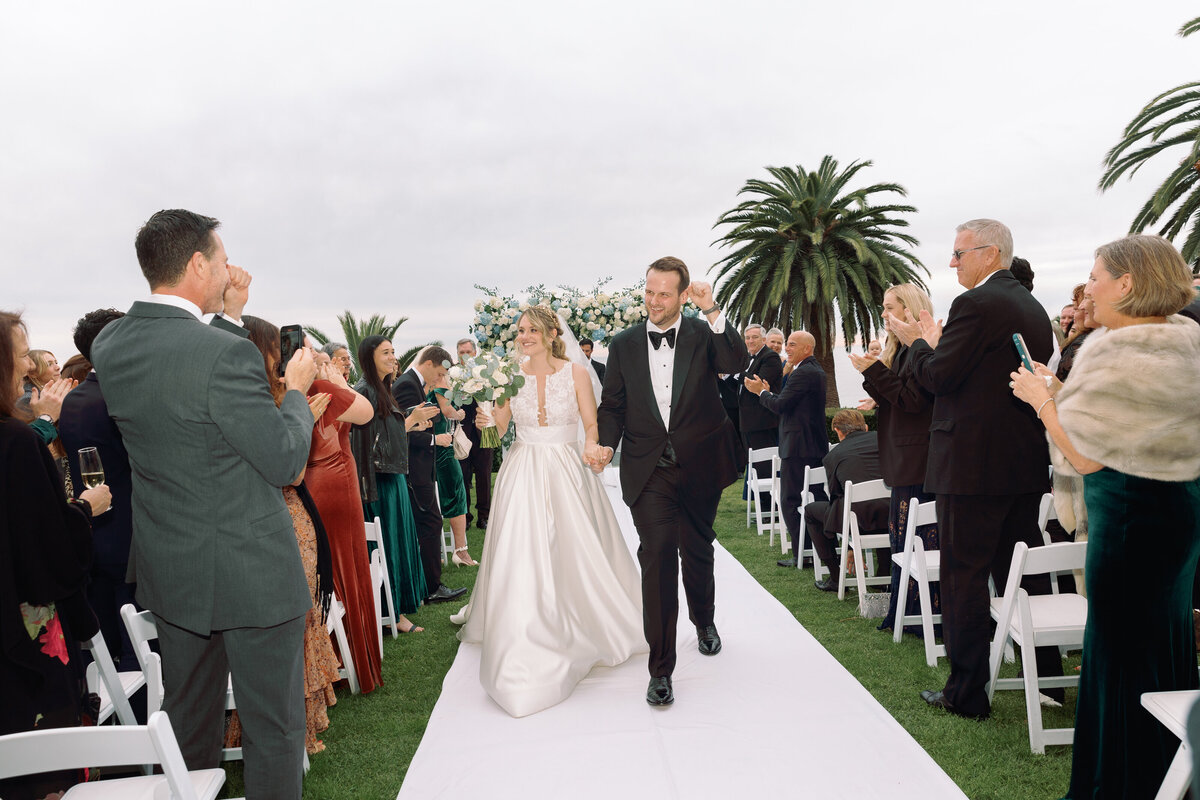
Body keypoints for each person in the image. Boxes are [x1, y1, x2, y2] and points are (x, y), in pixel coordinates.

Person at [90, 209, 317, 798]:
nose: (226, 270)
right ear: (196, 264)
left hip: (175, 572)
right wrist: (294, 393)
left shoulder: (111, 345)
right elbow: (285, 461)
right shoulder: (224, 355)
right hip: (252, 572)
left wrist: (228, 313)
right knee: (273, 730)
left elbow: (186, 374)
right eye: (219, 261)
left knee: (189, 725)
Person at [1011, 234, 1200, 799]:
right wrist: (1067, 393)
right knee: (1160, 645)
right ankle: (1164, 774)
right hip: (1176, 513)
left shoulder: (1120, 350)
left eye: (1096, 276)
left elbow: (1086, 455)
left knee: (1118, 654)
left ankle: (1117, 784)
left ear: (1128, 283)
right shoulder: (1184, 339)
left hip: (1129, 520)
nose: (1088, 287)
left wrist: (1042, 399)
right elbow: (1132, 424)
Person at [887, 218, 1060, 721]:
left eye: (959, 253)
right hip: (1022, 462)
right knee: (1021, 570)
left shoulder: (975, 303)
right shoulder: (1032, 305)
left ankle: (966, 693)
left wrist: (920, 343)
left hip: (969, 466)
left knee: (964, 576)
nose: (952, 262)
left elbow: (940, 376)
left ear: (990, 253)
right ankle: (1047, 677)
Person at [452, 305, 645, 717]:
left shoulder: (576, 373)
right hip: (523, 466)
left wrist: (593, 447)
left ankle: (584, 621)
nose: (525, 336)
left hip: (566, 466)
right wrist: (487, 417)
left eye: (532, 330)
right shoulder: (507, 375)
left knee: (574, 546)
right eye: (520, 330)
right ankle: (527, 630)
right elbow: (498, 433)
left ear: (551, 331)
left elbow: (591, 425)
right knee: (524, 549)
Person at [594, 257, 748, 707]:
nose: (655, 302)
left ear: (683, 295)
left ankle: (704, 620)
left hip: (701, 461)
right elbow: (613, 405)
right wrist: (605, 444)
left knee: (697, 547)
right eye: (649, 292)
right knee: (658, 555)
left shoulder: (703, 333)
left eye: (664, 294)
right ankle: (660, 670)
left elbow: (736, 361)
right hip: (649, 467)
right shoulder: (622, 344)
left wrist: (713, 309)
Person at [1, 311, 111, 800]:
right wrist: (85, 510)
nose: (27, 367)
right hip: (23, 638)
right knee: (42, 772)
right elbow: (49, 556)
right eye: (20, 354)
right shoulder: (16, 444)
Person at [241, 315, 342, 755]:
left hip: (290, 516)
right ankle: (289, 731)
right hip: (281, 518)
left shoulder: (269, 395)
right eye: (273, 347)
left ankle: (300, 723)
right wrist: (298, 412)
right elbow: (293, 469)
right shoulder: (269, 400)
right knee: (291, 623)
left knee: (301, 621)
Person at [850, 284, 939, 632]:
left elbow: (913, 401)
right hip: (902, 456)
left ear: (909, 309)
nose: (884, 315)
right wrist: (871, 377)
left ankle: (919, 612)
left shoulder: (923, 349)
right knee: (899, 537)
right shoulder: (901, 350)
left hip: (916, 458)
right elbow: (896, 398)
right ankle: (904, 609)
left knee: (916, 537)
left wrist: (873, 371)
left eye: (889, 308)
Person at [57, 308, 138, 672]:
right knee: (137, 642)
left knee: (105, 642)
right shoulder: (120, 398)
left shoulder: (74, 399)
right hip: (131, 536)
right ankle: (143, 721)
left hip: (95, 535)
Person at [305, 344, 383, 693]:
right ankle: (347, 653)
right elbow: (366, 413)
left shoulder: (291, 393)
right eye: (320, 361)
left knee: (329, 568)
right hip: (335, 483)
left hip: (315, 482)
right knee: (344, 567)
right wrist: (341, 384)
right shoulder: (324, 389)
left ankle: (335, 656)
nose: (327, 367)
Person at [350, 336, 440, 632]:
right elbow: (373, 443)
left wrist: (413, 421)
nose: (392, 357)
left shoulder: (383, 389)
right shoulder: (365, 392)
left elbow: (388, 434)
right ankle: (393, 614)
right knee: (388, 543)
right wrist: (412, 418)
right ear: (369, 357)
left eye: (392, 351)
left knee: (400, 540)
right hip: (381, 481)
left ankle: (399, 608)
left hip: (393, 476)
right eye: (385, 353)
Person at [743, 331, 829, 570]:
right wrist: (769, 392)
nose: (787, 349)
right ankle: (818, 549)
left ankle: (803, 552)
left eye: (792, 345)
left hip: (798, 448)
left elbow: (781, 406)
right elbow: (790, 403)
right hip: (811, 446)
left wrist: (760, 392)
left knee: (789, 500)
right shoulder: (811, 370)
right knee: (816, 497)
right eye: (787, 344)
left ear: (807, 349)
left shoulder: (804, 372)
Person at [392, 346, 469, 605]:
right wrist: (435, 438)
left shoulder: (416, 383)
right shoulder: (406, 385)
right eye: (439, 373)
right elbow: (404, 429)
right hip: (415, 468)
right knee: (431, 523)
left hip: (422, 466)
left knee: (428, 522)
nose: (440, 379)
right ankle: (431, 587)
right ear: (427, 363)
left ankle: (426, 584)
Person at [424, 349, 476, 566]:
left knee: (455, 493)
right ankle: (461, 552)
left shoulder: (434, 383)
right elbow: (446, 410)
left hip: (438, 444)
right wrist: (459, 413)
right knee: (457, 495)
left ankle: (458, 550)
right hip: (442, 449)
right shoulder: (440, 383)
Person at [739, 322, 783, 511]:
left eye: (754, 337)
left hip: (764, 422)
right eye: (747, 337)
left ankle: (771, 507)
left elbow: (755, 384)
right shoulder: (748, 359)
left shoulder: (770, 357)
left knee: (766, 465)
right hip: (748, 422)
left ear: (763, 339)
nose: (750, 341)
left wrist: (733, 371)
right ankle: (762, 505)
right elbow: (739, 388)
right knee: (755, 465)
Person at [455, 338, 493, 530]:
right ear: (457, 355)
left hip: (484, 429)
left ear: (475, 353)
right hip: (462, 432)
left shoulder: (487, 372)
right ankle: (466, 516)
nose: (466, 355)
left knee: (484, 475)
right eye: (462, 352)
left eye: (468, 352)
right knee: (462, 475)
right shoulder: (453, 375)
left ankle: (484, 516)